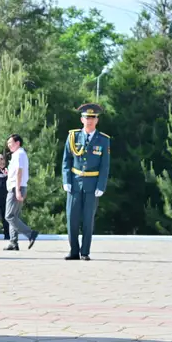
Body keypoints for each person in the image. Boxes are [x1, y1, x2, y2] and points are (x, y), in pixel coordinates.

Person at [62, 103, 111, 261]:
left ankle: (85, 252)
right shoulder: (73, 137)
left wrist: (101, 185)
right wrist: (66, 180)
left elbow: (105, 165)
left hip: (92, 184)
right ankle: (74, 251)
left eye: (92, 118)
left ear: (97, 120)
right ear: (81, 119)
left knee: (88, 220)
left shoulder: (103, 140)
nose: (89, 121)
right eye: (86, 117)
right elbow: (66, 161)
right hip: (75, 183)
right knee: (72, 218)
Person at [3, 134, 39, 251]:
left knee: (9, 216)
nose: (9, 145)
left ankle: (30, 233)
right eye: (8, 144)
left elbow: (19, 172)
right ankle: (13, 242)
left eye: (11, 143)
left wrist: (17, 190)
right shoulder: (18, 154)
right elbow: (16, 172)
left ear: (18, 143)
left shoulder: (19, 154)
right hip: (17, 186)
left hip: (15, 188)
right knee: (14, 216)